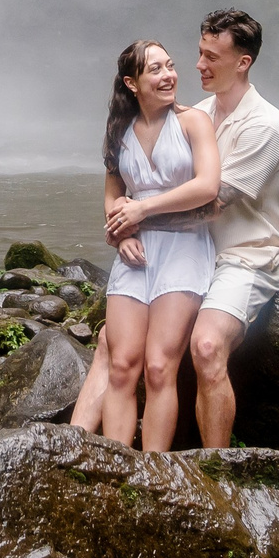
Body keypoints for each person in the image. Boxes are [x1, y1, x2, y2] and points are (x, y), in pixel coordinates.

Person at [72, 8, 279, 449]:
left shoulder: (265, 126)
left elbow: (212, 203)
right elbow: (122, 176)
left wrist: (134, 217)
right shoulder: (198, 111)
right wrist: (123, 228)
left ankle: (213, 471)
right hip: (188, 251)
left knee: (206, 347)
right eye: (197, 53)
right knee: (111, 342)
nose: (196, 66)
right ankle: (70, 447)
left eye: (210, 57)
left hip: (240, 257)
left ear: (242, 62)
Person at [91, 38, 222, 452]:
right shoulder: (119, 131)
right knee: (122, 366)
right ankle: (117, 464)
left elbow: (207, 186)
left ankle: (154, 470)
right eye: (156, 70)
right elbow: (113, 195)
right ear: (132, 83)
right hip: (135, 254)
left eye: (170, 66)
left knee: (159, 367)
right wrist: (122, 230)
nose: (169, 76)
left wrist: (142, 211)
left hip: (183, 249)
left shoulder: (192, 122)